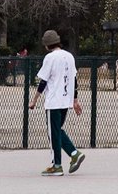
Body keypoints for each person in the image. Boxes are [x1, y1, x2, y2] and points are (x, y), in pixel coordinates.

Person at [28, 29, 85, 176]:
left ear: (47, 45)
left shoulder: (50, 58)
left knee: (53, 133)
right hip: (65, 101)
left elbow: (43, 81)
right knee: (57, 131)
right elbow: (73, 79)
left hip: (53, 101)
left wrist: (34, 99)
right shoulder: (69, 56)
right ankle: (74, 153)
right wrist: (75, 100)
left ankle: (57, 165)